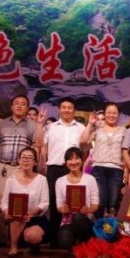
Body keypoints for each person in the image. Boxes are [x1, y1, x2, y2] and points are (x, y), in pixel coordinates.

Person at [0, 95, 42, 245]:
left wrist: (31, 168)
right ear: (11, 107)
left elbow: (36, 146)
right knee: (1, 202)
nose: (19, 106)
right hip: (3, 166)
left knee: (19, 203)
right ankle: (2, 237)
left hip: (21, 168)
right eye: (16, 103)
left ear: (27, 108)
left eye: (23, 104)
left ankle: (16, 238)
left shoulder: (32, 125)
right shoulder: (2, 124)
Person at [42, 97, 85, 245]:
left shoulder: (81, 128)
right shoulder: (50, 127)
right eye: (64, 107)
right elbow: (41, 145)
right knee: (54, 202)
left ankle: (72, 235)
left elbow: (85, 148)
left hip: (73, 168)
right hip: (54, 168)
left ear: (74, 110)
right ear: (59, 110)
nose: (66, 110)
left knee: (74, 202)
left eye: (70, 107)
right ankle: (54, 237)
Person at [0, 148, 50, 257]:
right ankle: (13, 247)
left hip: (35, 218)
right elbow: (4, 202)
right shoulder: (10, 180)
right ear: (19, 161)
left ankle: (32, 244)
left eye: (30, 158)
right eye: (23, 157)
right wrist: (6, 211)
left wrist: (31, 213)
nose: (26, 160)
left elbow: (44, 203)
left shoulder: (42, 179)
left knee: (33, 236)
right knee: (17, 216)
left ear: (35, 162)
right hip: (16, 219)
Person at [80, 103, 126, 218]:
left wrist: (126, 170)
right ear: (105, 114)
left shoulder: (123, 130)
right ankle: (98, 226)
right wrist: (90, 124)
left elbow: (125, 151)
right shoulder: (97, 130)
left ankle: (111, 227)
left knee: (113, 203)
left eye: (114, 113)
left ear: (118, 115)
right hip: (98, 168)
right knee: (100, 201)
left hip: (117, 169)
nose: (112, 115)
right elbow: (83, 144)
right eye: (109, 112)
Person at [55, 147, 99, 249]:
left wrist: (88, 210)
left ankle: (86, 241)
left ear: (82, 160)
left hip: (86, 219)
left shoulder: (90, 179)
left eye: (77, 158)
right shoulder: (60, 181)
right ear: (66, 162)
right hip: (68, 221)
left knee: (78, 217)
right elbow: (59, 206)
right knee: (64, 241)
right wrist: (62, 209)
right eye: (70, 159)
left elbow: (95, 205)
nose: (74, 162)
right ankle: (76, 242)